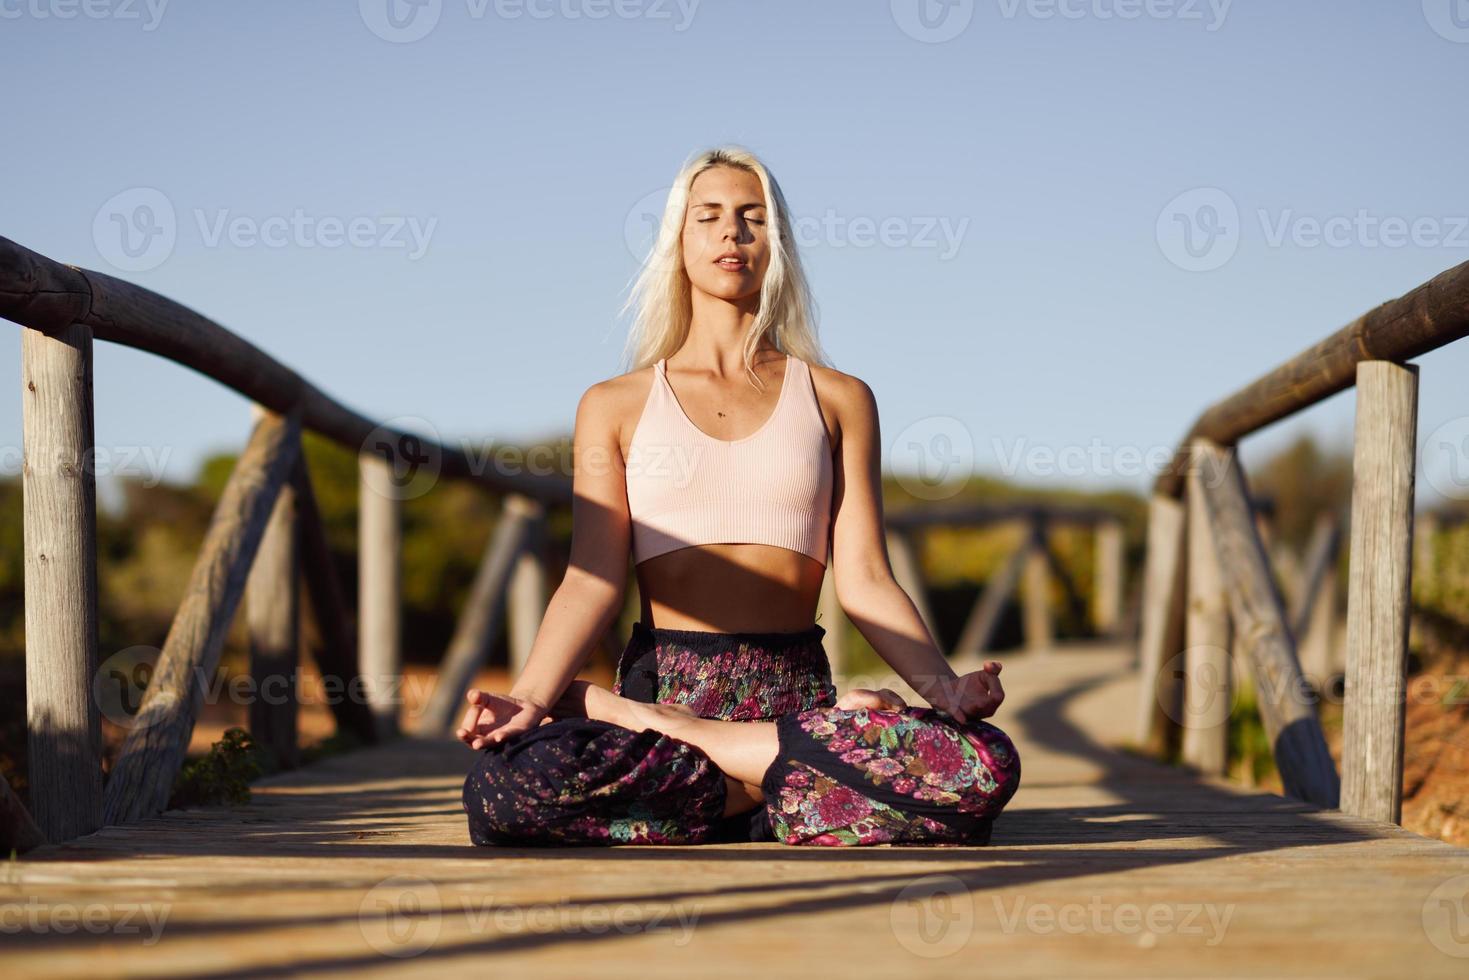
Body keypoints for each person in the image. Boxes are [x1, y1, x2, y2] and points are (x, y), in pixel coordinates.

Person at [458, 145, 1019, 846]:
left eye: (753, 218)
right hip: (666, 687)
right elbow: (590, 576)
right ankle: (780, 788)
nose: (732, 234)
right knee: (505, 790)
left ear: (775, 244)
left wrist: (943, 690)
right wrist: (532, 698)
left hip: (791, 695)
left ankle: (724, 773)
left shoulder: (838, 398)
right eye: (710, 217)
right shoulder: (614, 405)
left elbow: (867, 579)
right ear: (679, 241)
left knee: (984, 766)